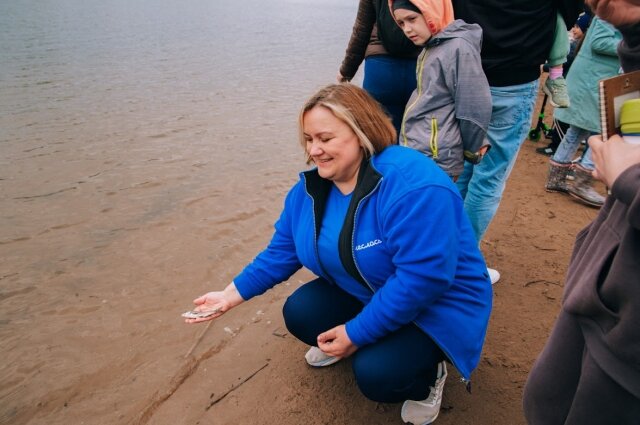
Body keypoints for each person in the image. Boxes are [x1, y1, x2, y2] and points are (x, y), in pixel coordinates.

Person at [185, 84, 493, 425]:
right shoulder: (311, 188)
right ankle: (374, 333)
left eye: (325, 138)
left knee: (377, 375)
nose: (314, 150)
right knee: (300, 313)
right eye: (308, 139)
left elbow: (422, 280)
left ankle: (428, 378)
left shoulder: (413, 185)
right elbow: (282, 251)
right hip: (371, 287)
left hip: (438, 306)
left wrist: (355, 334)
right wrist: (229, 295)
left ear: (361, 133)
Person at [523, 2, 640, 421]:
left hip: (627, 338)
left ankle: (566, 176)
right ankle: (564, 176)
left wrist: (629, 178)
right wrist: (634, 25)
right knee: (546, 398)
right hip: (601, 283)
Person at [451, 0, 583, 283]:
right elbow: (569, 10)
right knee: (488, 179)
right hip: (515, 80)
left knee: (464, 169)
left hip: (466, 73)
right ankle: (461, 263)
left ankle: (443, 253)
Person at [391, 0, 491, 180]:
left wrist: (472, 146)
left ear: (432, 11)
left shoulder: (457, 48)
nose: (407, 29)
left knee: (431, 206)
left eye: (412, 19)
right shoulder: (431, 47)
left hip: (438, 158)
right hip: (422, 151)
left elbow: (474, 105)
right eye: (401, 23)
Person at [545, 16, 622, 207]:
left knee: (579, 129)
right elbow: (599, 42)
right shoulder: (610, 11)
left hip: (595, 78)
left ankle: (557, 178)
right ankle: (582, 182)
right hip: (595, 79)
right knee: (602, 129)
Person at [338, 0, 422, 132]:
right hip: (422, 67)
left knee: (379, 136)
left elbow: (361, 30)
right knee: (420, 136)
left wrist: (346, 70)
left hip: (380, 70)